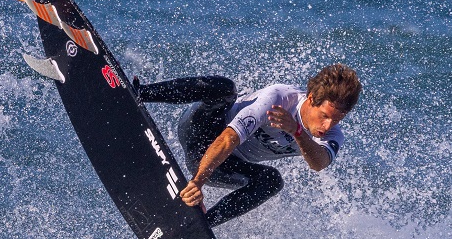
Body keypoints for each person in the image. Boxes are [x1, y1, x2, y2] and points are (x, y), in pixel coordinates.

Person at [135, 63, 361, 226]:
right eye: (324, 115)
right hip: (201, 130)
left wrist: (298, 132)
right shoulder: (279, 99)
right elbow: (228, 139)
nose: (328, 124)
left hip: (221, 165)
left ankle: (202, 225)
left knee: (272, 181)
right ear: (311, 99)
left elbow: (319, 163)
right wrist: (197, 184)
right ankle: (139, 92)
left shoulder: (330, 135)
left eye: (337, 119)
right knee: (224, 88)